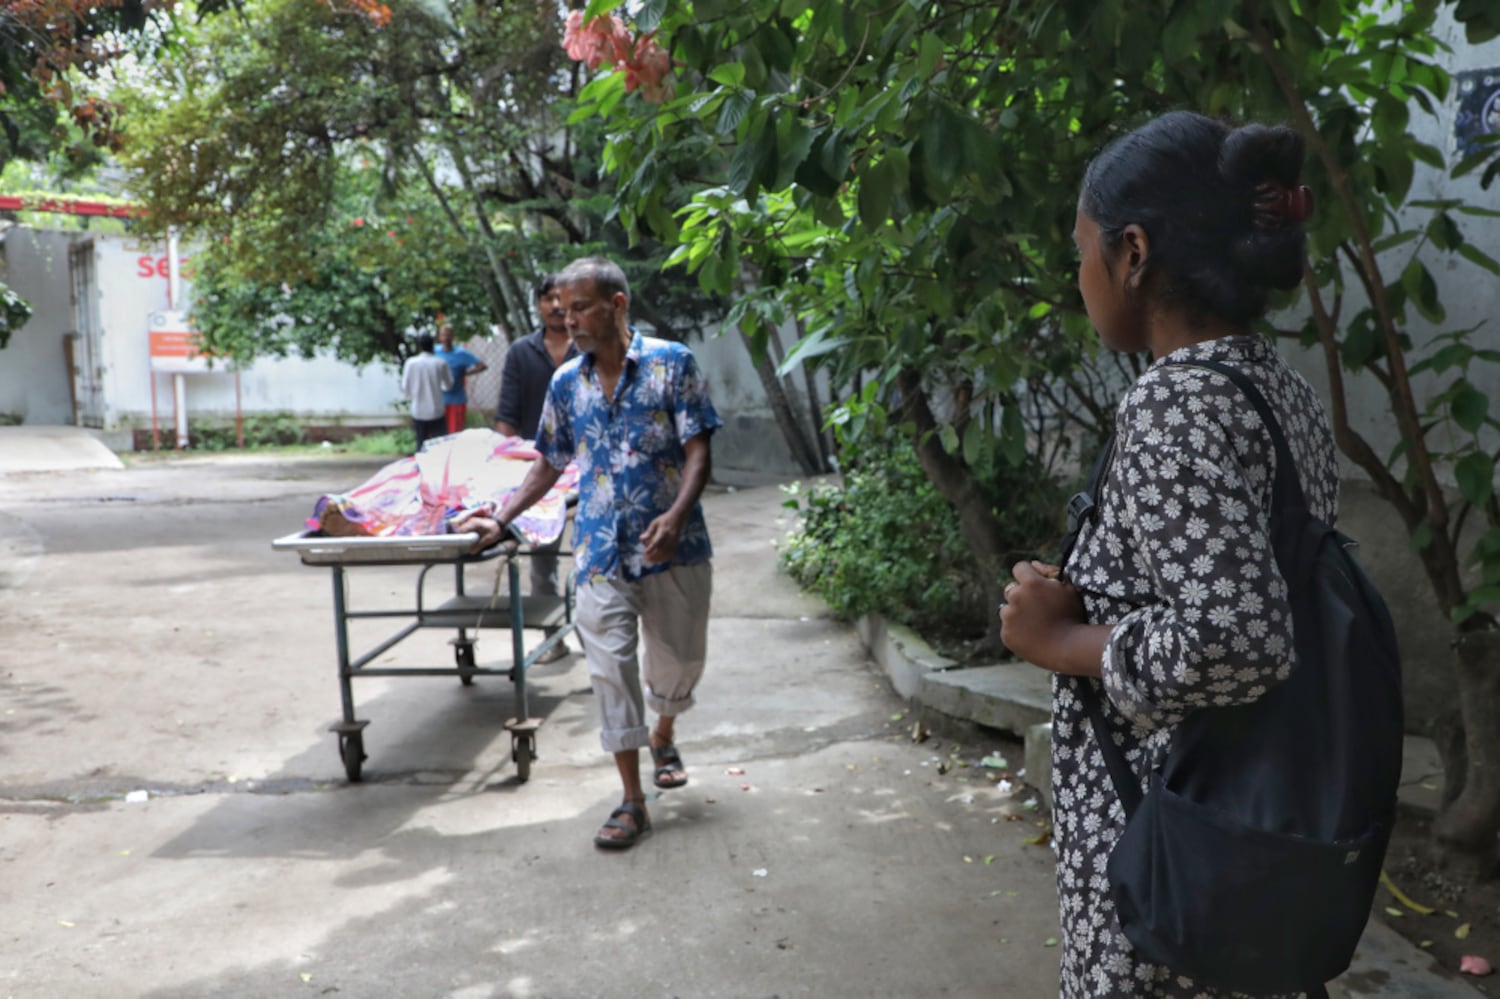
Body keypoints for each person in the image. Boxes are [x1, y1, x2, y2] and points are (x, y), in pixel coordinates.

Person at [998, 111, 1338, 998]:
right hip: (1249, 829)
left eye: (1083, 251)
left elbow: (1237, 635)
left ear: (1134, 252)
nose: (1080, 277)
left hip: (1167, 862)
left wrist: (1062, 642)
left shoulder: (1173, 403)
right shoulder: (1274, 388)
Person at [455, 256, 722, 851]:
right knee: (609, 671)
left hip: (676, 547)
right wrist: (500, 519)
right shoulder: (565, 383)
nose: (565, 318)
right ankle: (631, 800)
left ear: (617, 305)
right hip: (600, 551)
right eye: (561, 309)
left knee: (678, 663)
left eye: (579, 308)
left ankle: (665, 731)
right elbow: (549, 462)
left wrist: (676, 515)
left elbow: (698, 450)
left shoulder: (671, 363)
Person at [495, 275, 580, 663]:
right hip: (541, 470)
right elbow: (507, 417)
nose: (558, 307)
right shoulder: (520, 352)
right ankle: (552, 640)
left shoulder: (590, 347)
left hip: (589, 467)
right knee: (542, 557)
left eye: (564, 299)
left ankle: (594, 642)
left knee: (591, 560)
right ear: (539, 305)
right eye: (549, 299)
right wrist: (503, 468)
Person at [401, 333, 453, 453]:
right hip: (437, 410)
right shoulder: (440, 363)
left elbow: (405, 387)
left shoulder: (411, 363)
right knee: (441, 446)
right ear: (433, 345)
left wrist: (414, 393)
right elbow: (448, 385)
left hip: (418, 410)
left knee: (420, 445)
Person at [436, 322, 487, 434]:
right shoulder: (435, 351)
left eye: (448, 335)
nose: (446, 338)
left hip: (456, 400)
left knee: (454, 434)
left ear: (453, 337)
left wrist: (466, 373)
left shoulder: (461, 353)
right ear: (439, 337)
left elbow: (482, 366)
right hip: (438, 400)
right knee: (438, 435)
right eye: (443, 335)